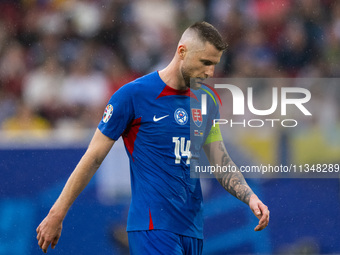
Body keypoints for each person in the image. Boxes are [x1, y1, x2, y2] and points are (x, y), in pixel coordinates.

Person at [36, 21, 270, 254]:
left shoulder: (206, 101)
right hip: (152, 227)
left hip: (192, 229)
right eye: (205, 63)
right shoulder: (133, 95)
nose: (210, 72)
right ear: (182, 52)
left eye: (214, 65)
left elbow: (220, 161)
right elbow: (93, 157)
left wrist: (249, 197)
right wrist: (57, 213)